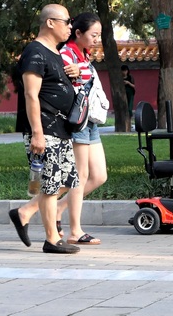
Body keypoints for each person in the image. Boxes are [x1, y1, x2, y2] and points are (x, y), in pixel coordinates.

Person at [8, 4, 80, 254]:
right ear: (50, 22)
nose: (70, 27)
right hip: (45, 129)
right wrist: (37, 133)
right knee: (50, 185)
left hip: (61, 128)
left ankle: (24, 212)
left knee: (67, 180)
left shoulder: (55, 53)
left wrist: (71, 74)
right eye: (67, 21)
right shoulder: (35, 52)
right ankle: (51, 239)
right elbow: (31, 94)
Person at [57, 13, 109, 245]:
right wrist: (79, 70)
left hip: (90, 120)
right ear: (78, 33)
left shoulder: (83, 55)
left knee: (99, 176)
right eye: (93, 35)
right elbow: (67, 79)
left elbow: (84, 75)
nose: (97, 39)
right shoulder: (66, 53)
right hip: (77, 121)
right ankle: (75, 231)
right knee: (80, 175)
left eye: (99, 35)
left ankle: (57, 207)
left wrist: (81, 70)